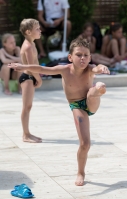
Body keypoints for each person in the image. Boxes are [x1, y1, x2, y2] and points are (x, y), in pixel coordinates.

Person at [9, 38, 110, 186]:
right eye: (79, 55)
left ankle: (98, 89)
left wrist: (101, 68)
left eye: (86, 55)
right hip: (77, 106)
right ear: (70, 57)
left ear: (90, 57)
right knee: (85, 144)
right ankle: (80, 172)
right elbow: (43, 69)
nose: (83, 58)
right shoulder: (64, 70)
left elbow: (97, 67)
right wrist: (22, 66)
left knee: (93, 91)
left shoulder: (90, 68)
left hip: (91, 101)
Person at [19, 18, 42, 143]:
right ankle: (25, 135)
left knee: (29, 106)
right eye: (37, 29)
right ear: (28, 32)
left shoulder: (32, 44)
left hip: (30, 77)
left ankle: (27, 133)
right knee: (26, 107)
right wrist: (39, 79)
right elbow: (31, 66)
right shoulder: (28, 46)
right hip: (27, 78)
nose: (40, 31)